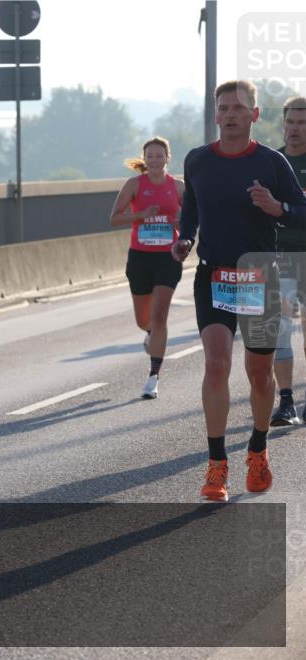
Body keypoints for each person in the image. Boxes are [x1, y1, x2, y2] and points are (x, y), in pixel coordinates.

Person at [171, 80, 306, 501]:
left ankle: (257, 449)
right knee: (216, 363)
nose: (230, 114)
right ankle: (216, 465)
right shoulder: (197, 161)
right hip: (213, 275)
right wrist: (185, 239)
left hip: (257, 275)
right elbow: (190, 209)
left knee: (259, 375)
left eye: (238, 108)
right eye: (223, 108)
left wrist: (277, 208)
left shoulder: (271, 163)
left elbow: (302, 210)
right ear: (215, 114)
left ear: (255, 115)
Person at [110, 137, 185, 399]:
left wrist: (180, 224)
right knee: (144, 320)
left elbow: (191, 220)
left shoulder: (177, 186)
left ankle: (153, 377)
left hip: (168, 257)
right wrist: (141, 215)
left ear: (168, 158)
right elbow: (115, 218)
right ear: (144, 159)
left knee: (161, 315)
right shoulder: (133, 185)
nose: (154, 160)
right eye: (150, 156)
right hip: (140, 257)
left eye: (159, 155)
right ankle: (151, 334)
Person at [269, 96, 306, 426]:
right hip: (279, 256)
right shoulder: (273, 162)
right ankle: (286, 403)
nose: (295, 129)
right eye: (290, 122)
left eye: (302, 122)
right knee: (280, 330)